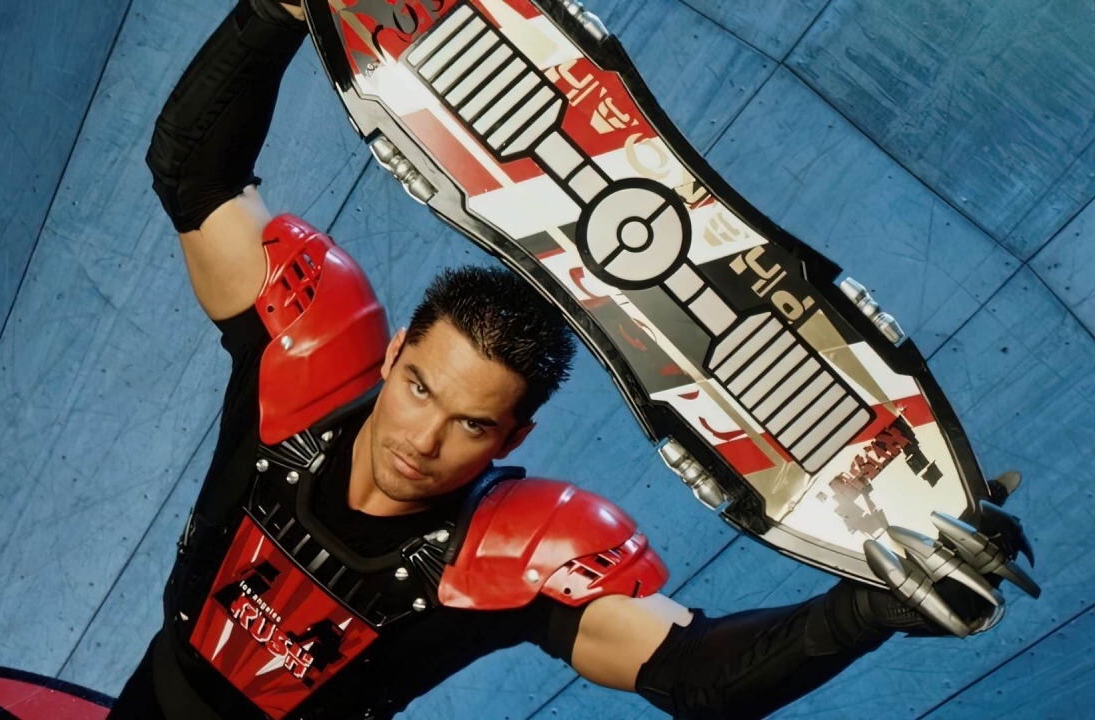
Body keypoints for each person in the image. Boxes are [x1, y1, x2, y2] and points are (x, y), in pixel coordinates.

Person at [109, 2, 1035, 718]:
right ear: (391, 356)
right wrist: (274, 12)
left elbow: (693, 676)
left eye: (471, 424)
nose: (422, 440)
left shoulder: (516, 555)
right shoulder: (298, 366)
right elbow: (193, 172)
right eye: (419, 387)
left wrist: (863, 614)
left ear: (514, 436)